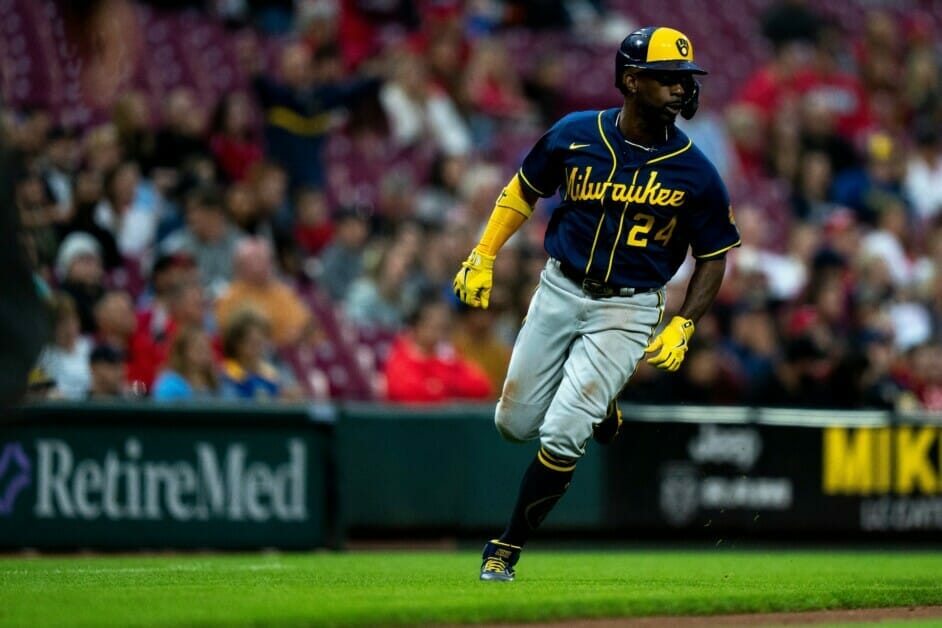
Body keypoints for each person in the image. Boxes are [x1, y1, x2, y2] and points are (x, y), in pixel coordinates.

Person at [453, 26, 741, 581]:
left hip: (628, 308)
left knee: (563, 431)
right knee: (513, 423)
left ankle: (506, 547)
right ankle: (603, 404)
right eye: (668, 78)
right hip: (560, 288)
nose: (682, 88)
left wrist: (685, 323)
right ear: (631, 81)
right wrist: (484, 253)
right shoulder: (576, 133)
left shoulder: (696, 170)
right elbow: (523, 189)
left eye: (686, 79)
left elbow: (714, 255)